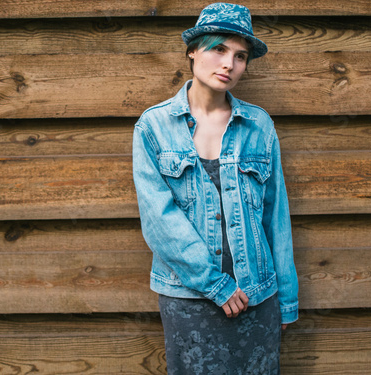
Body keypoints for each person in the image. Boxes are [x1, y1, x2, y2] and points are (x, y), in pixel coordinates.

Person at [132, 3, 299, 374]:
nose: (229, 64)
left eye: (240, 56)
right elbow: (159, 219)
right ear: (193, 50)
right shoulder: (154, 127)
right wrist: (216, 286)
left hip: (258, 294)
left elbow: (276, 215)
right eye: (219, 49)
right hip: (189, 298)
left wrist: (286, 298)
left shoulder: (258, 125)